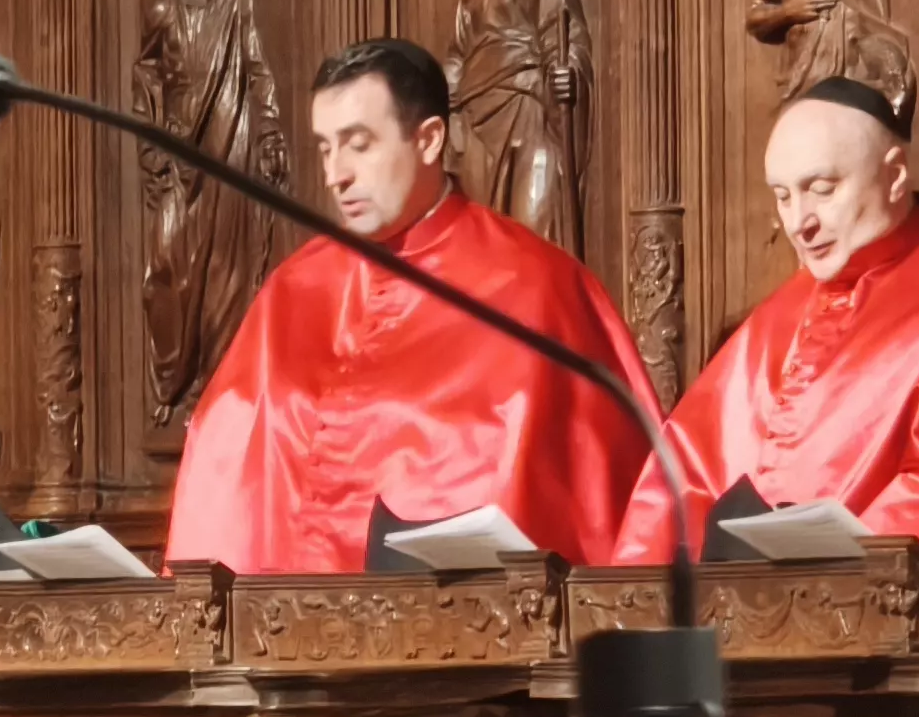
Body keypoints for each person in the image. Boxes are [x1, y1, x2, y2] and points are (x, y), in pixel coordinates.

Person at [164, 38, 655, 575]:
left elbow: (614, 512)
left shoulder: (540, 289)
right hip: (281, 641)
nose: (336, 174)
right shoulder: (291, 290)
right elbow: (220, 492)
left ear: (428, 140)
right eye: (325, 147)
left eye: (358, 144)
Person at [619, 81, 919, 558]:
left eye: (822, 190)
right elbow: (678, 479)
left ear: (894, 175)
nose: (798, 222)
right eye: (783, 197)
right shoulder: (777, 317)